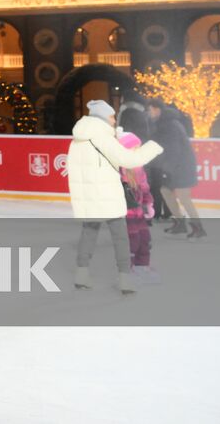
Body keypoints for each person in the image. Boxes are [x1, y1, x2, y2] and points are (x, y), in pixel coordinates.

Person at [67, 100, 163, 294]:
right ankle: (124, 279)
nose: (113, 120)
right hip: (106, 194)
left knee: (89, 233)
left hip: (88, 195)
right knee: (120, 237)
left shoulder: (78, 138)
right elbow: (129, 160)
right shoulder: (102, 137)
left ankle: (81, 274)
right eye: (111, 116)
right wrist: (154, 147)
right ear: (103, 118)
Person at [147, 98, 204, 238]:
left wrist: (167, 170)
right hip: (175, 165)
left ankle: (199, 228)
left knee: (184, 197)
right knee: (165, 191)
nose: (148, 113)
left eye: (149, 110)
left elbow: (173, 150)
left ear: (156, 109)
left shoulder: (169, 125)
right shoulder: (162, 123)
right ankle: (180, 223)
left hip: (181, 166)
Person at [116, 103, 158, 284]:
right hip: (126, 214)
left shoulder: (138, 167)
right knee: (131, 242)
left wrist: (148, 203)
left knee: (145, 240)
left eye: (137, 148)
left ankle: (142, 267)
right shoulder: (119, 169)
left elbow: (145, 187)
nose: (136, 151)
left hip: (139, 213)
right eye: (132, 148)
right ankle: (127, 271)